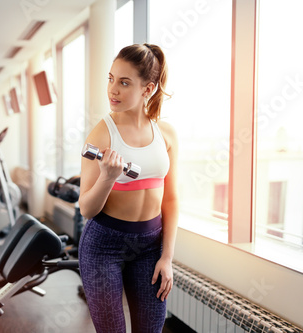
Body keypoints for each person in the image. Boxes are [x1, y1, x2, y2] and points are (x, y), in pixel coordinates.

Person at [78, 43, 179, 333]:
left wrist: (167, 257)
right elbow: (87, 208)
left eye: (124, 82)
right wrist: (108, 177)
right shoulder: (100, 134)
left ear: (147, 89)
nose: (113, 90)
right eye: (110, 79)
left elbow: (171, 200)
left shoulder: (166, 134)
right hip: (103, 246)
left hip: (150, 244)